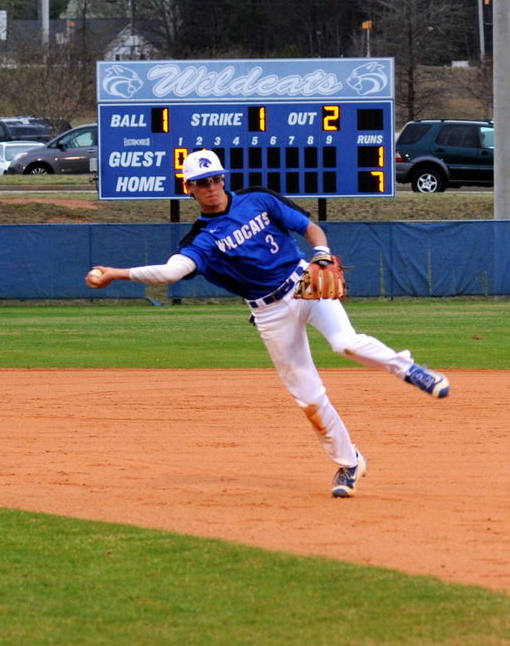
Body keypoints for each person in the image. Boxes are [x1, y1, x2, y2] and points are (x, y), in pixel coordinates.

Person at [86, 149, 450, 498]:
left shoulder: (257, 199)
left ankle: (411, 370)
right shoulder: (201, 239)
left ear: (223, 178)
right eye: (201, 182)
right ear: (189, 189)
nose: (210, 186)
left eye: (214, 178)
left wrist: (321, 255)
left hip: (305, 284)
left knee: (345, 343)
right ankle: (349, 463)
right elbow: (170, 272)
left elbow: (310, 228)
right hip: (269, 312)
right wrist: (115, 274)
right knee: (308, 398)